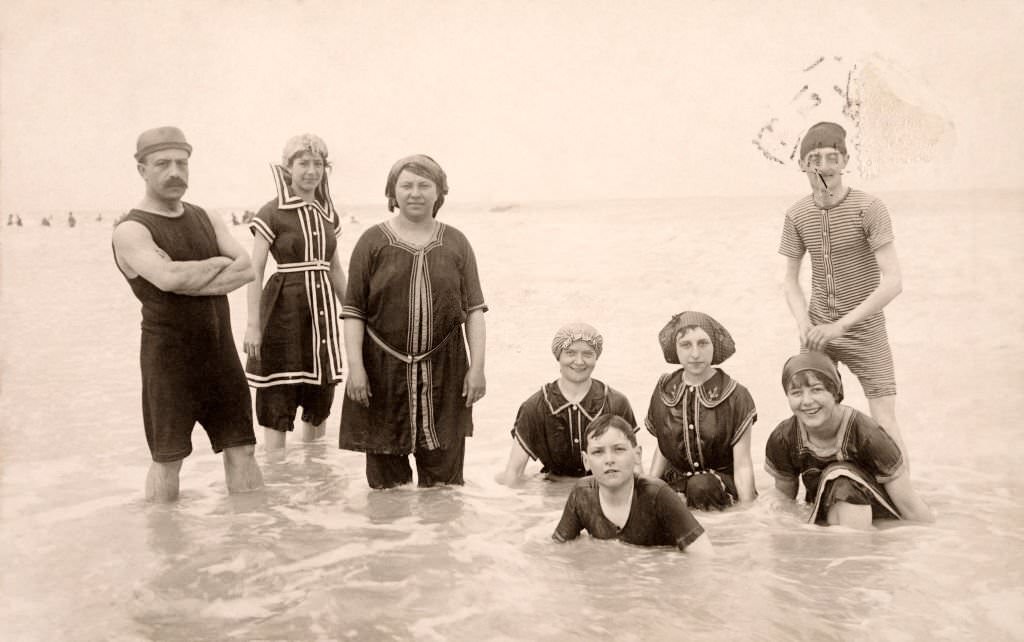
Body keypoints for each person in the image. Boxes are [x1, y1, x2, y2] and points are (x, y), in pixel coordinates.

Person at [112, 126, 263, 501]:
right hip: (168, 359)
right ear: (141, 170)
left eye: (182, 162)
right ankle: (166, 551)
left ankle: (254, 543)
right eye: (162, 163)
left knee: (242, 447)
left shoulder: (206, 217)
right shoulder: (131, 230)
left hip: (220, 355)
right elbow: (165, 277)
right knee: (168, 458)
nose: (174, 171)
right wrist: (215, 264)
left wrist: (185, 275)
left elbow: (246, 268)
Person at [339, 154, 487, 489]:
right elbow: (353, 312)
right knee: (387, 492)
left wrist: (477, 368)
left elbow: (475, 311)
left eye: (425, 185)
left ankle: (435, 540)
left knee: (445, 490)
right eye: (406, 185)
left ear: (439, 193)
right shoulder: (372, 242)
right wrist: (356, 368)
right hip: (382, 377)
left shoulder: (457, 243)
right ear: (393, 192)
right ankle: (395, 542)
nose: (415, 193)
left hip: (446, 375)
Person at [780, 121, 908, 457]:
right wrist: (803, 323)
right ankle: (822, 480)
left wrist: (842, 325)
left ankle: (903, 503)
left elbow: (893, 281)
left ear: (845, 161)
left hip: (865, 329)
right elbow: (790, 281)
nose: (824, 166)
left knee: (884, 421)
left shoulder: (869, 207)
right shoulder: (796, 215)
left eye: (832, 157)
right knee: (813, 413)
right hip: (818, 328)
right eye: (815, 158)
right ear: (803, 165)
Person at [243, 134, 347, 456]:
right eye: (303, 163)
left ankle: (315, 489)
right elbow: (255, 270)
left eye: (318, 164)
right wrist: (253, 325)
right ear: (288, 168)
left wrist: (359, 317)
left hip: (322, 321)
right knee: (278, 399)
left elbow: (336, 271)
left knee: (319, 402)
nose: (311, 171)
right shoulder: (272, 211)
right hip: (282, 315)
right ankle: (276, 488)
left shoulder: (329, 213)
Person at [764, 352, 933, 528]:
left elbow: (911, 507)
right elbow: (785, 501)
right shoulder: (783, 438)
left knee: (842, 480)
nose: (806, 401)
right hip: (826, 516)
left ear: (835, 392)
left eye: (817, 389)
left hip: (876, 516)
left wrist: (933, 543)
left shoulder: (868, 435)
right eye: (796, 393)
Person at [497, 322, 638, 485]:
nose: (579, 361)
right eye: (570, 353)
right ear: (559, 356)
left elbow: (634, 467)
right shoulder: (534, 407)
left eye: (587, 354)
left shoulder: (616, 403)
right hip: (551, 493)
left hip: (604, 490)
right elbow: (513, 473)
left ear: (596, 357)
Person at [553, 415, 713, 554]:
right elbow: (557, 551)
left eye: (619, 449)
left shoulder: (658, 495)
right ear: (586, 461)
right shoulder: (582, 495)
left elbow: (703, 556)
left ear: (637, 455)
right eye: (598, 452)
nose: (609, 460)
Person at [645, 311, 757, 510]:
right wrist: (647, 489)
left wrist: (748, 513)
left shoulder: (736, 394)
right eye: (686, 345)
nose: (695, 353)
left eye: (703, 343)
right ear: (675, 349)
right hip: (677, 481)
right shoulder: (664, 389)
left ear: (714, 345)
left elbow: (743, 464)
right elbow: (662, 448)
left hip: (719, 486)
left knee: (701, 487)